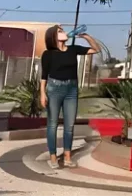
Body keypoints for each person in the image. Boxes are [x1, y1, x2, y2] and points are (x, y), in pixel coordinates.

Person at [40, 25, 101, 169]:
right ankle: (53, 157)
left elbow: (96, 49)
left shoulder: (73, 49)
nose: (64, 32)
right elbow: (44, 76)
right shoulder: (48, 54)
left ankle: (67, 157)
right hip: (54, 89)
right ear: (53, 36)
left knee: (70, 125)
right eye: (60, 31)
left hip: (71, 90)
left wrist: (86, 36)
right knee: (53, 124)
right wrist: (42, 93)